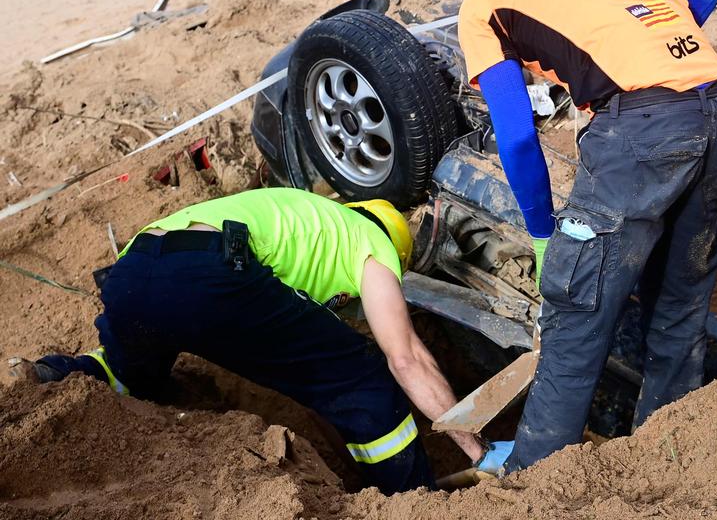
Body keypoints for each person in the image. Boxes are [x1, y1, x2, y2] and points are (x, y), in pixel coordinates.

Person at [422, 0, 717, 472]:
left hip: (638, 132)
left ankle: (534, 483)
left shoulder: (482, 4)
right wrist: (649, 47)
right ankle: (669, 458)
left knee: (574, 310)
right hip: (715, 110)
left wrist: (545, 237)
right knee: (677, 304)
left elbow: (517, 136)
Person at [13, 187, 511, 494]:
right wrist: (477, 450)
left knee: (128, 369)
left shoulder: (309, 217)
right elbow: (407, 358)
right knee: (360, 377)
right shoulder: (373, 245)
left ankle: (58, 372)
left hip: (136, 266)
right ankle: (411, 499)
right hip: (211, 272)